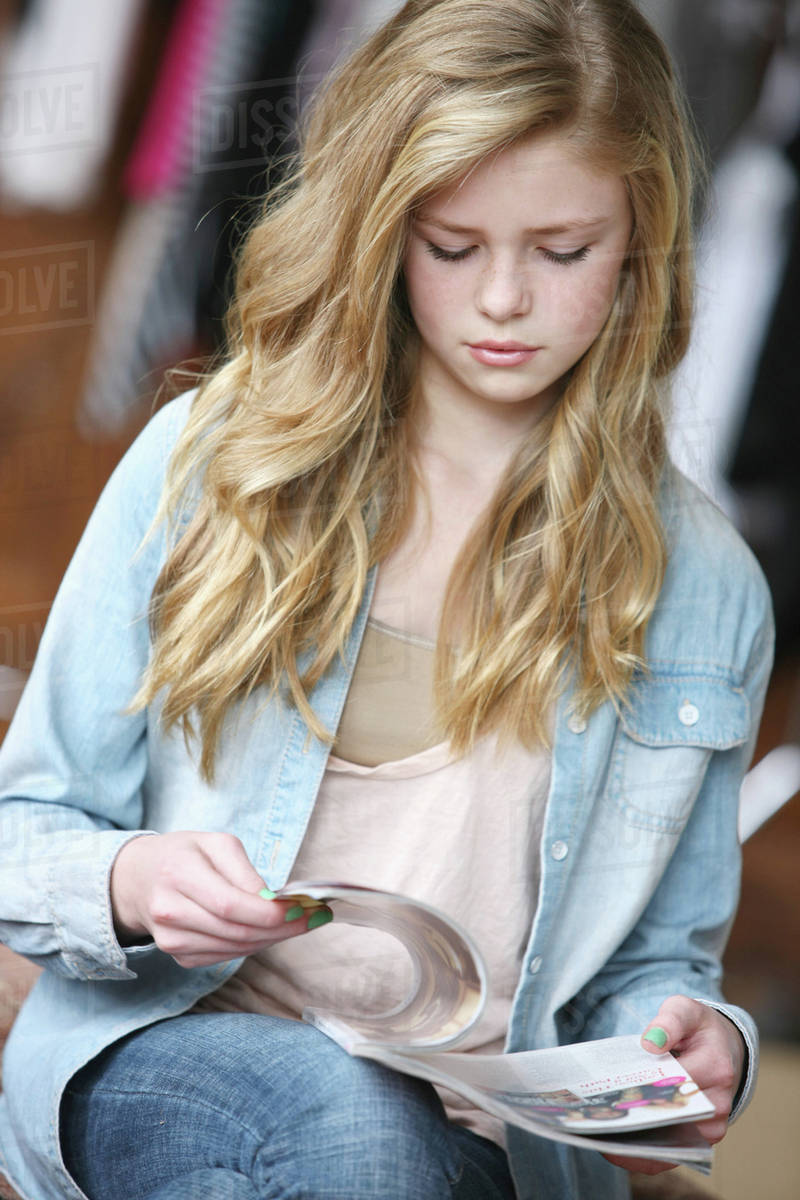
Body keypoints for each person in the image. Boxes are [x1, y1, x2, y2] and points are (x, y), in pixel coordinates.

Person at [0, 1, 774, 1198]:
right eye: (452, 246)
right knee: (346, 1122)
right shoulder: (211, 466)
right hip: (170, 1054)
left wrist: (700, 1037)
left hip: (474, 1128)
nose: (503, 300)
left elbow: (659, 963)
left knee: (382, 1150)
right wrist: (135, 882)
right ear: (378, 228)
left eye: (561, 250)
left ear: (640, 239)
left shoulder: (705, 587)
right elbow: (22, 831)